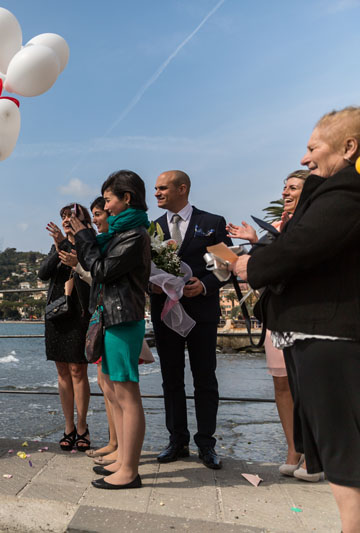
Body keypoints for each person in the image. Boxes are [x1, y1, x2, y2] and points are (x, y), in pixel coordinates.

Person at [231, 106, 360, 531]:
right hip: (318, 335)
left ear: (348, 147)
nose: (305, 159)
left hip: (329, 336)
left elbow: (301, 246)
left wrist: (252, 266)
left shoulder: (346, 193)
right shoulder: (334, 191)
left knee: (341, 444)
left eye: (312, 148)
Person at [227, 170, 311, 478]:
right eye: (284, 188)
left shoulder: (312, 226)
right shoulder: (275, 227)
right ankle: (294, 448)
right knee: (282, 383)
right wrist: (250, 244)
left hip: (303, 314)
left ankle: (317, 452)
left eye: (293, 188)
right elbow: (260, 267)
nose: (285, 193)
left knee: (307, 385)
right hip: (276, 317)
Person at [73, 170, 151, 490]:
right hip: (114, 317)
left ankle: (130, 470)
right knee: (119, 392)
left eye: (108, 199)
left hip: (123, 319)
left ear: (126, 198)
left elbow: (102, 269)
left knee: (127, 393)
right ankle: (123, 460)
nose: (104, 206)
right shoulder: (122, 233)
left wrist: (86, 238)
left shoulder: (134, 234)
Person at [150, 170, 231, 470]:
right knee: (171, 379)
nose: (156, 193)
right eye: (155, 189)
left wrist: (206, 285)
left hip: (202, 314)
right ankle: (177, 441)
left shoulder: (212, 223)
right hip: (165, 314)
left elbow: (225, 266)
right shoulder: (152, 228)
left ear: (182, 188)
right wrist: (151, 285)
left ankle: (206, 444)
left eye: (162, 188)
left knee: (205, 379)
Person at [38, 203, 92, 452]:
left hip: (79, 312)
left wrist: (67, 243)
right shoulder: (57, 244)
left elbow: (90, 267)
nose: (67, 219)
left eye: (72, 215)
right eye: (63, 216)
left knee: (78, 370)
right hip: (57, 314)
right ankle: (68, 426)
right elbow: (44, 273)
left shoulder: (88, 241)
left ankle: (82, 426)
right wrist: (59, 244)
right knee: (62, 370)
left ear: (83, 219)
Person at [83, 197, 119, 465]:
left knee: (115, 385)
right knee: (104, 383)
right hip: (100, 315)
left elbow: (98, 273)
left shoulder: (112, 243)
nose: (95, 220)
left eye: (98, 214)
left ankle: (120, 446)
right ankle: (114, 441)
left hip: (114, 315)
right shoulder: (103, 242)